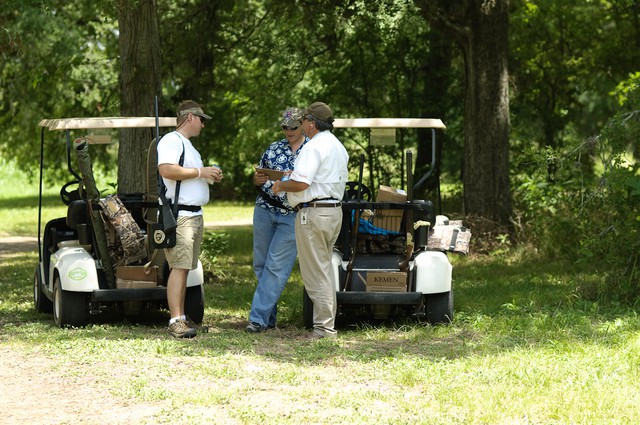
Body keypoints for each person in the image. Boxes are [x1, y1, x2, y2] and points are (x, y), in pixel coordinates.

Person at [272, 101, 349, 339]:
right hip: (333, 211)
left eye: (304, 120)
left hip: (313, 213)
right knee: (323, 268)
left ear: (312, 123)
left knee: (316, 273)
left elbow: (303, 184)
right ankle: (324, 325)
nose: (302, 124)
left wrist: (281, 185)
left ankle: (324, 329)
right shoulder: (337, 146)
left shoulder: (313, 147)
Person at [157, 100, 223, 338]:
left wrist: (208, 175)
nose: (203, 125)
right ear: (190, 118)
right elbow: (166, 170)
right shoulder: (171, 141)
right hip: (181, 215)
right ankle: (175, 320)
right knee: (179, 267)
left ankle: (182, 318)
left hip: (193, 215)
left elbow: (190, 175)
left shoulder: (188, 146)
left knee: (185, 268)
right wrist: (201, 172)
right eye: (202, 120)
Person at [246, 107, 308, 333]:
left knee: (276, 267)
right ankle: (267, 318)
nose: (289, 131)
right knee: (261, 265)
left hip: (292, 214)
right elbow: (258, 179)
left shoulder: (312, 149)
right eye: (285, 127)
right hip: (264, 209)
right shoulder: (274, 148)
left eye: (293, 127)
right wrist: (258, 178)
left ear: (303, 124)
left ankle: (257, 319)